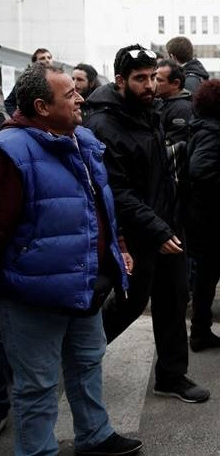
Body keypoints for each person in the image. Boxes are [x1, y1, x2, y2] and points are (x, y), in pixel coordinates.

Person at [0, 62, 142, 456]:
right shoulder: (11, 152)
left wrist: (119, 248)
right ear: (42, 107)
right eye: (70, 95)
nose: (81, 97)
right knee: (37, 385)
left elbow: (99, 203)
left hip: (85, 285)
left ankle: (95, 436)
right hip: (33, 294)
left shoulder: (81, 138)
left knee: (87, 364)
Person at [85, 45, 209, 404]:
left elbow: (157, 173)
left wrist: (170, 221)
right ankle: (80, 355)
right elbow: (117, 190)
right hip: (135, 233)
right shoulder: (104, 123)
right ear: (121, 80)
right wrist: (155, 229)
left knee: (173, 298)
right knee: (130, 302)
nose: (150, 85)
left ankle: (171, 376)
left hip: (165, 225)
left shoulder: (148, 110)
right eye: (141, 78)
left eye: (153, 77)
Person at [184, 79, 220, 353]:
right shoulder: (212, 130)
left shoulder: (202, 125)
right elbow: (201, 170)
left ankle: (200, 331)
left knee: (205, 276)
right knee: (206, 277)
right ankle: (200, 333)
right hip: (209, 217)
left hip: (201, 216)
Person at [154, 58, 193, 146]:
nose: (153, 83)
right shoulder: (162, 102)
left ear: (175, 83)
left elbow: (174, 144)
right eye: (154, 78)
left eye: (159, 80)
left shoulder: (182, 109)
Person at [3, 48, 53, 115]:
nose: (47, 60)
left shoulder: (59, 80)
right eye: (42, 58)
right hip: (32, 122)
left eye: (49, 58)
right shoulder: (26, 81)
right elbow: (9, 102)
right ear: (34, 63)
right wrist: (16, 116)